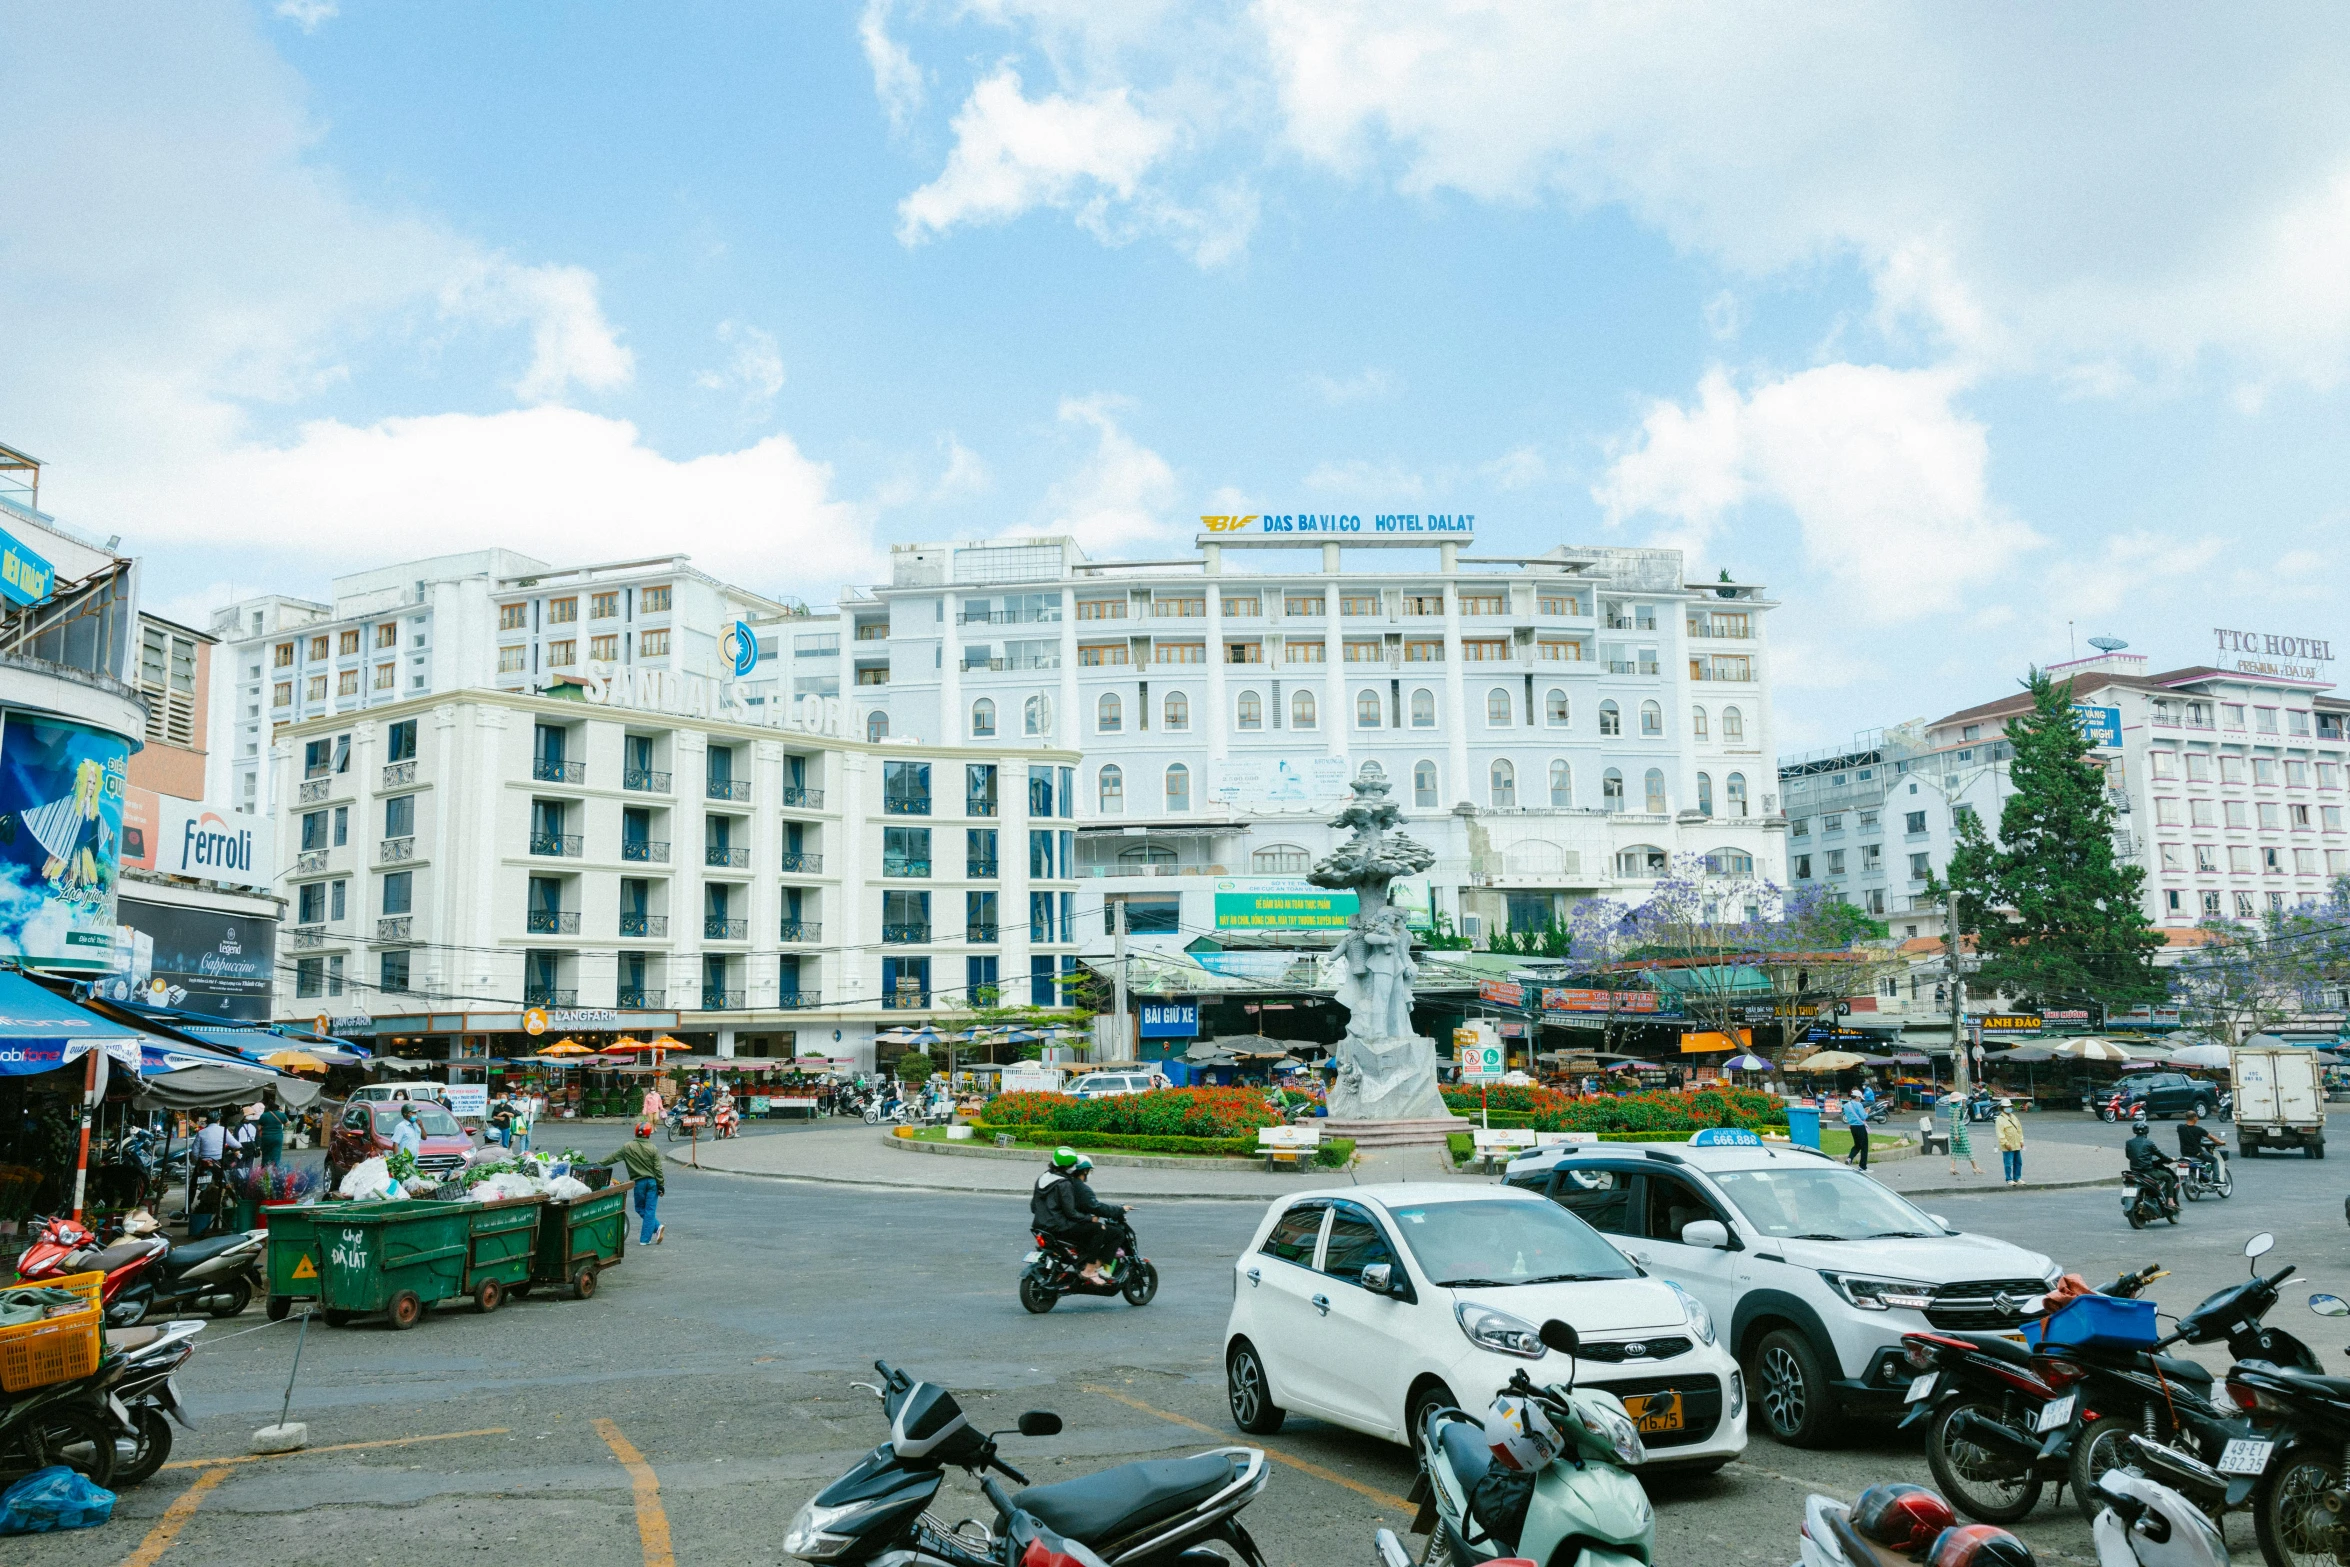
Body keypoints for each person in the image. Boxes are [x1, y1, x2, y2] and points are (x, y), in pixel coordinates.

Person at [1031, 1147, 1120, 1284]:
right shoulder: (1064, 1183)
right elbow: (1070, 1213)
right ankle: (1090, 1269)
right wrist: (1090, 1218)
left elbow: (1033, 1206)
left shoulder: (1043, 1178)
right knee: (1098, 1229)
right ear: (1067, 1167)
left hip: (1040, 1226)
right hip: (1060, 1227)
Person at [607, 1124, 666, 1245]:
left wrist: (597, 1164)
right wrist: (661, 1184)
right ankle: (656, 1228)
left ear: (635, 1133)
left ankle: (647, 1237)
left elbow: (612, 1158)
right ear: (649, 1134)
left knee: (639, 1208)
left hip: (639, 1182)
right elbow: (658, 1169)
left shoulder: (627, 1147)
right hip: (652, 1182)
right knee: (649, 1210)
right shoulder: (653, 1148)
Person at [2125, 1115, 2177, 1212]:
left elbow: (2128, 1156)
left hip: (2134, 1172)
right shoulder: (2149, 1143)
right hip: (2148, 1172)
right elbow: (2161, 1155)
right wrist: (2170, 1159)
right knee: (2169, 1177)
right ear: (2146, 1130)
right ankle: (2170, 1201)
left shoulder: (2129, 1142)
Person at [2177, 1109, 2224, 1181]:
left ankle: (2202, 1174)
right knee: (2214, 1160)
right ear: (2195, 1118)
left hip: (2184, 1153)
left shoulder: (2180, 1127)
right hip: (2197, 1153)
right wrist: (2221, 1142)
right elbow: (2212, 1138)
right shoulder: (2199, 1129)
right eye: (2197, 1117)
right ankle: (2216, 1179)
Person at [1945, 1090, 1983, 1178]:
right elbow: (1956, 1121)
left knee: (1954, 1149)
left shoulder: (1951, 1107)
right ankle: (1975, 1167)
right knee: (1967, 1148)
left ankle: (1952, 1167)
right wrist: (1956, 1134)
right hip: (1959, 1129)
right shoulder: (1957, 1109)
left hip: (1953, 1129)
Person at [1994, 1100, 2025, 1185]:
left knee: (2018, 1162)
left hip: (2016, 1143)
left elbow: (2019, 1130)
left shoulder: (2014, 1117)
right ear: (2003, 1108)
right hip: (2007, 1145)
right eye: (2006, 1107)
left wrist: (2021, 1140)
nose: (2008, 1108)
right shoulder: (2000, 1119)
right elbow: (2000, 1133)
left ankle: (2017, 1178)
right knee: (2008, 1163)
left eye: (2009, 1107)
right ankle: (2009, 1179)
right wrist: (2006, 1143)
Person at [1842, 1092, 1872, 1170]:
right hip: (1860, 1127)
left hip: (1853, 1127)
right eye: (1860, 1098)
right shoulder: (1859, 1105)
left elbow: (1851, 1115)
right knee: (1864, 1147)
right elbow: (1863, 1116)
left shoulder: (1846, 1106)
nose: (1860, 1100)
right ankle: (1862, 1166)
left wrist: (1863, 1110)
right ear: (1857, 1097)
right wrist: (1867, 1111)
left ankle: (1849, 1158)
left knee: (1857, 1145)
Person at [256, 1096, 286, 1167]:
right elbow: (287, 1124)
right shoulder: (281, 1115)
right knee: (276, 1154)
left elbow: (259, 1127)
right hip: (277, 1137)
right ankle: (275, 1172)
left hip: (266, 1137)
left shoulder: (264, 1115)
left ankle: (263, 1172)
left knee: (265, 1155)